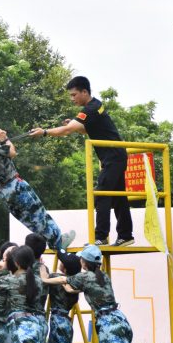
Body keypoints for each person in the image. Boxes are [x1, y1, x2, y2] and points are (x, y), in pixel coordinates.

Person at [29, 76, 134, 247]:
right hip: (115, 155)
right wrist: (72, 125)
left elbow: (68, 130)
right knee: (118, 197)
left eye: (74, 94)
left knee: (101, 195)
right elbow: (84, 130)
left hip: (113, 157)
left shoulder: (90, 109)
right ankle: (126, 235)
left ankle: (101, 237)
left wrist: (44, 132)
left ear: (85, 92)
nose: (72, 99)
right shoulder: (94, 106)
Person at [0, 118, 75, 251]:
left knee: (33, 216)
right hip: (13, 187)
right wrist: (4, 138)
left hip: (7, 189)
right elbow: (12, 152)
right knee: (36, 213)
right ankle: (57, 242)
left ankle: (55, 239)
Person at [43, 244, 143, 343]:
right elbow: (71, 287)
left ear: (83, 262)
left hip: (108, 325)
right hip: (120, 318)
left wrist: (45, 279)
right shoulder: (102, 276)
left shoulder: (85, 277)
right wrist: (66, 283)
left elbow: (63, 282)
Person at [47, 250, 82, 343]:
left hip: (59, 320)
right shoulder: (76, 281)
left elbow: (44, 277)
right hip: (64, 319)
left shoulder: (57, 278)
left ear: (65, 269)